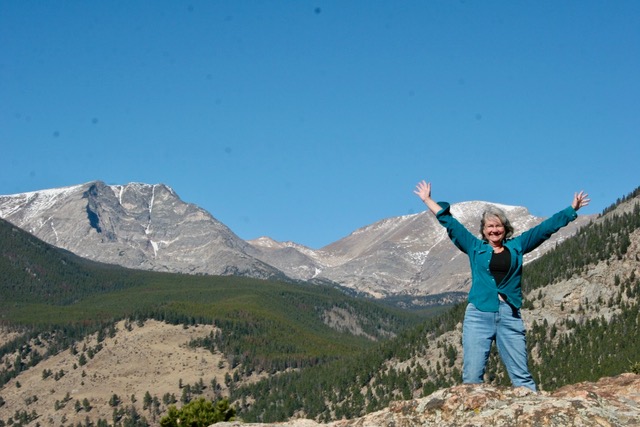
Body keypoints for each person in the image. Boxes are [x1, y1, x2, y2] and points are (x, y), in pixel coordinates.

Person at [413, 181, 590, 391]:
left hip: (510, 315)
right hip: (478, 314)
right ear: (484, 230)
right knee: (471, 377)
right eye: (490, 226)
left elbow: (545, 229)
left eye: (498, 226)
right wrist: (427, 200)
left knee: (522, 377)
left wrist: (572, 210)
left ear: (505, 229)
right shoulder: (474, 247)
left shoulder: (518, 246)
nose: (494, 230)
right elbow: (450, 224)